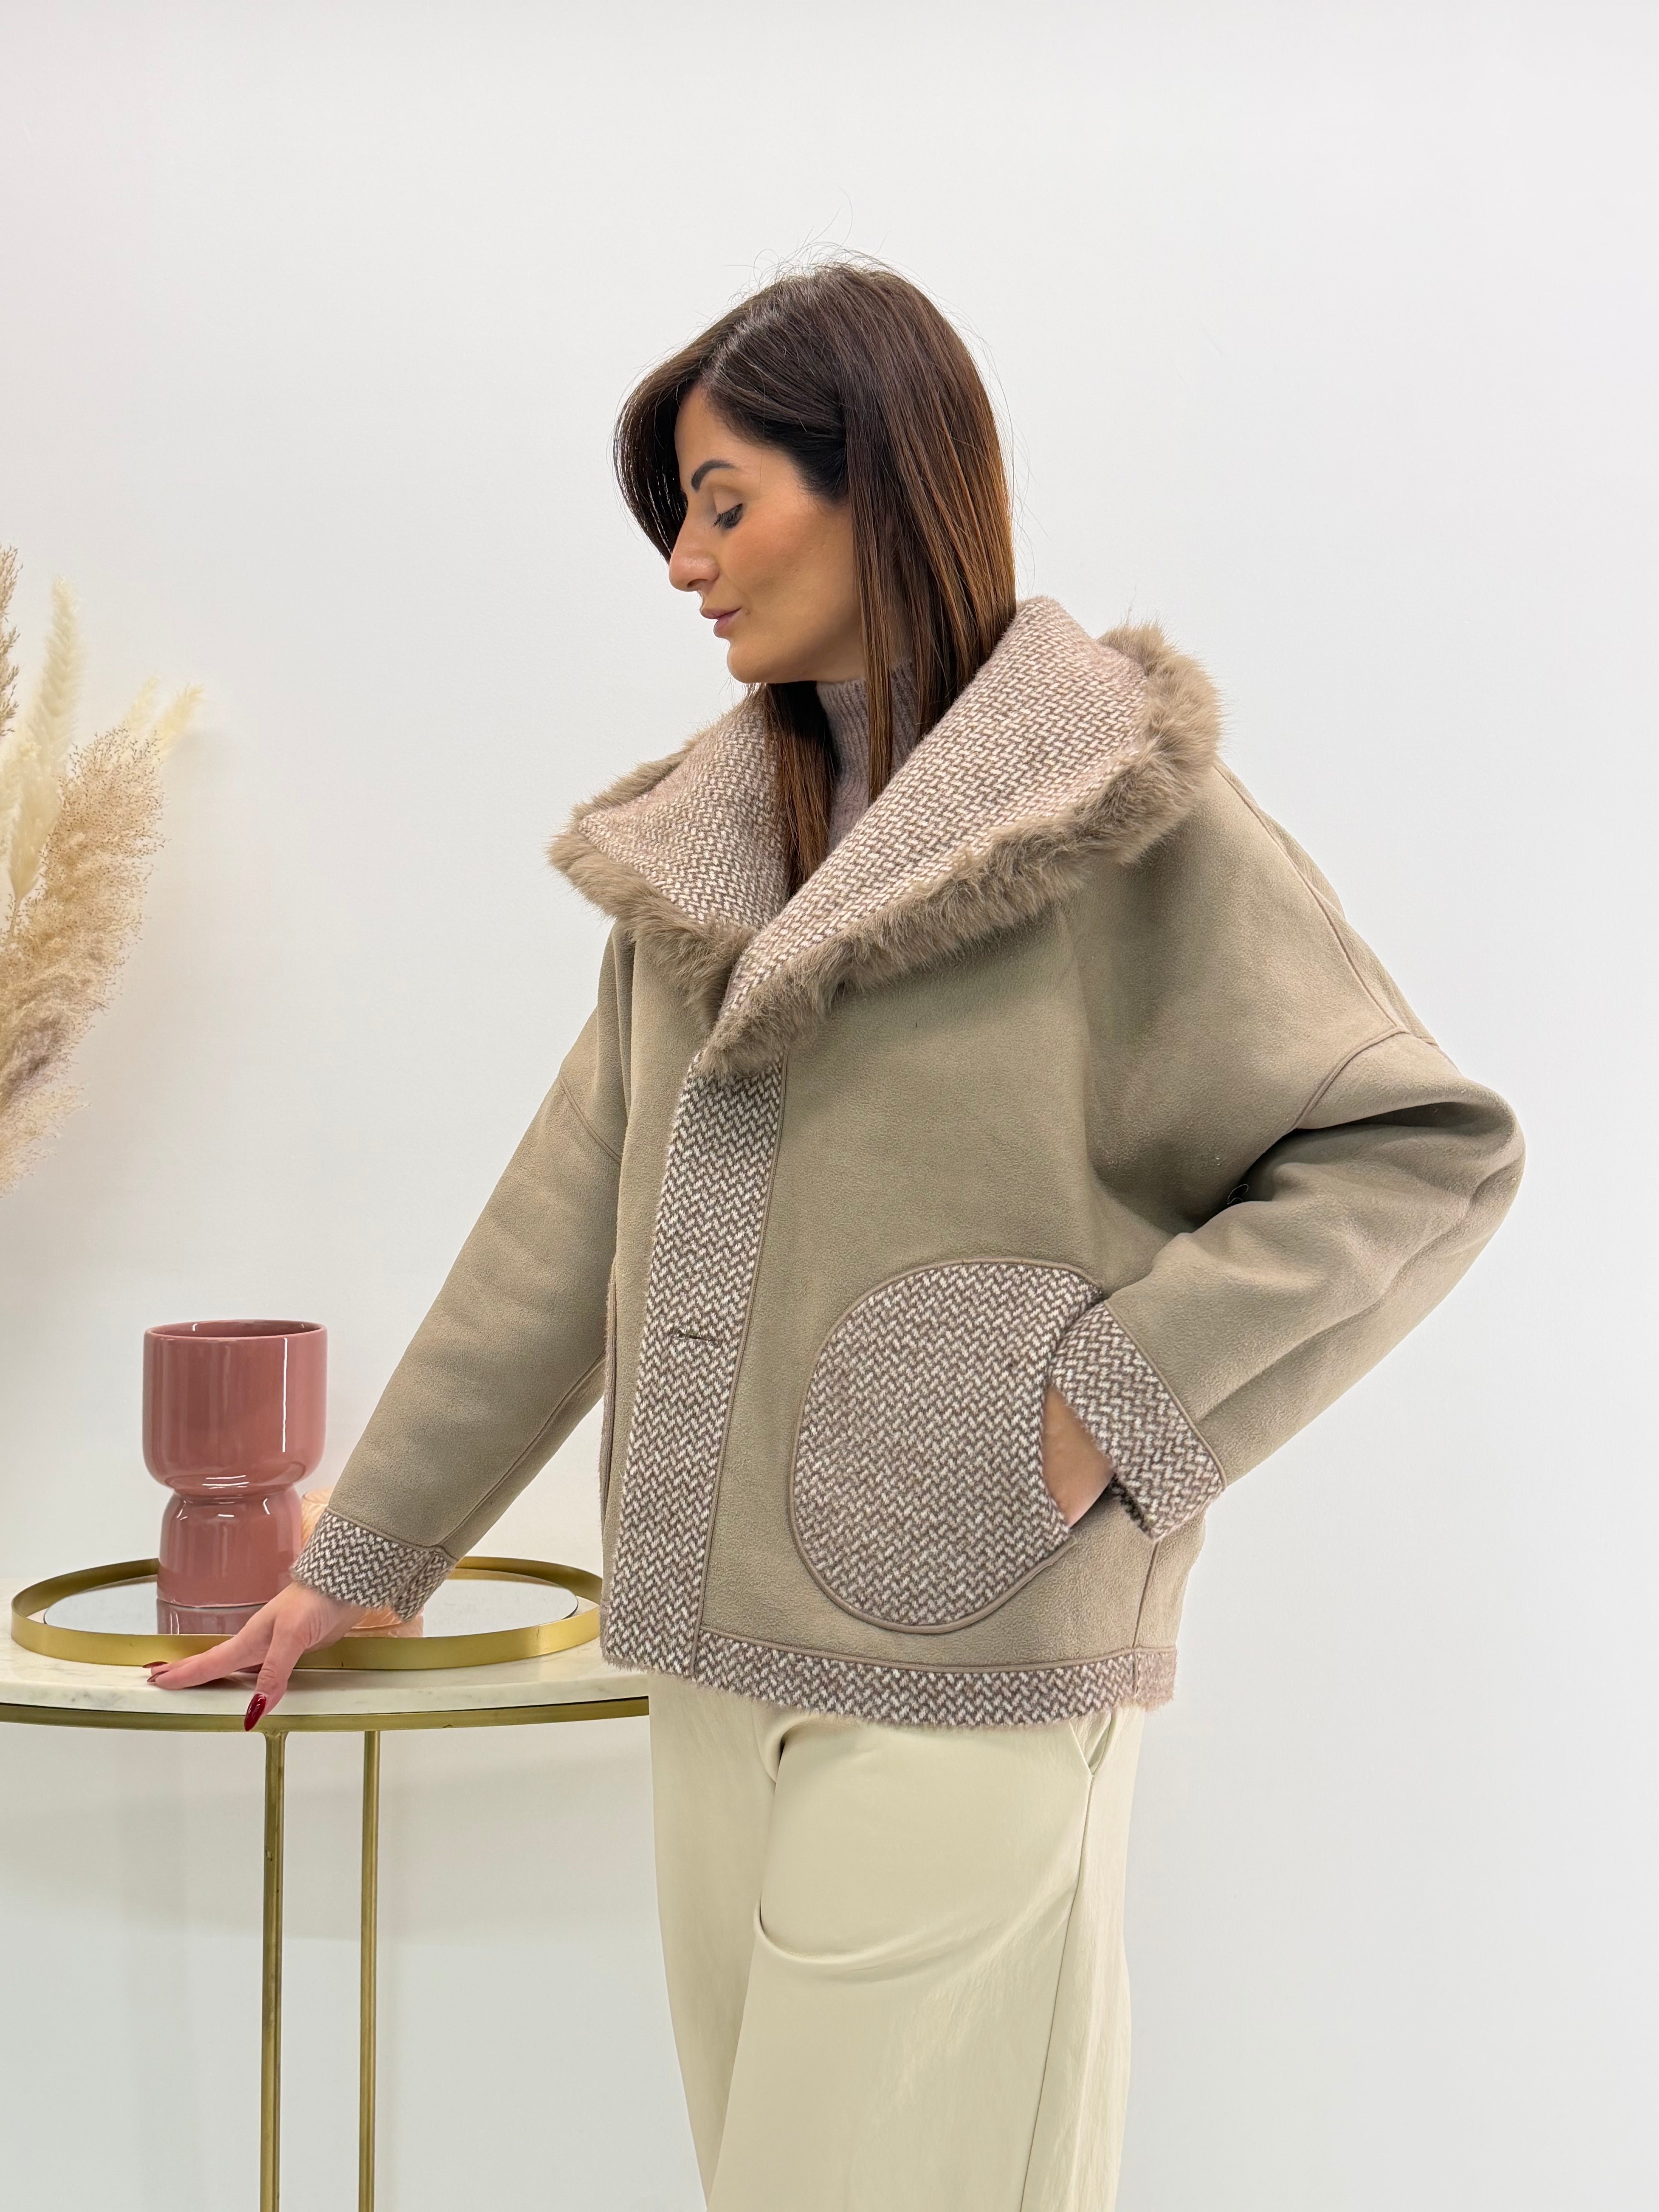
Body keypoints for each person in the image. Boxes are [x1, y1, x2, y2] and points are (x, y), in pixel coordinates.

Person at [150, 258, 1524, 2210]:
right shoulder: (707, 855)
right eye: (679, 518)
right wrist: (365, 1555)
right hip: (711, 1671)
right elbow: (565, 1221)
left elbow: (1420, 1152)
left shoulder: (1126, 813)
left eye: (726, 504)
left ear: (881, 482)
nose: (688, 565)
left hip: (970, 1647)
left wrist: (1093, 1410)